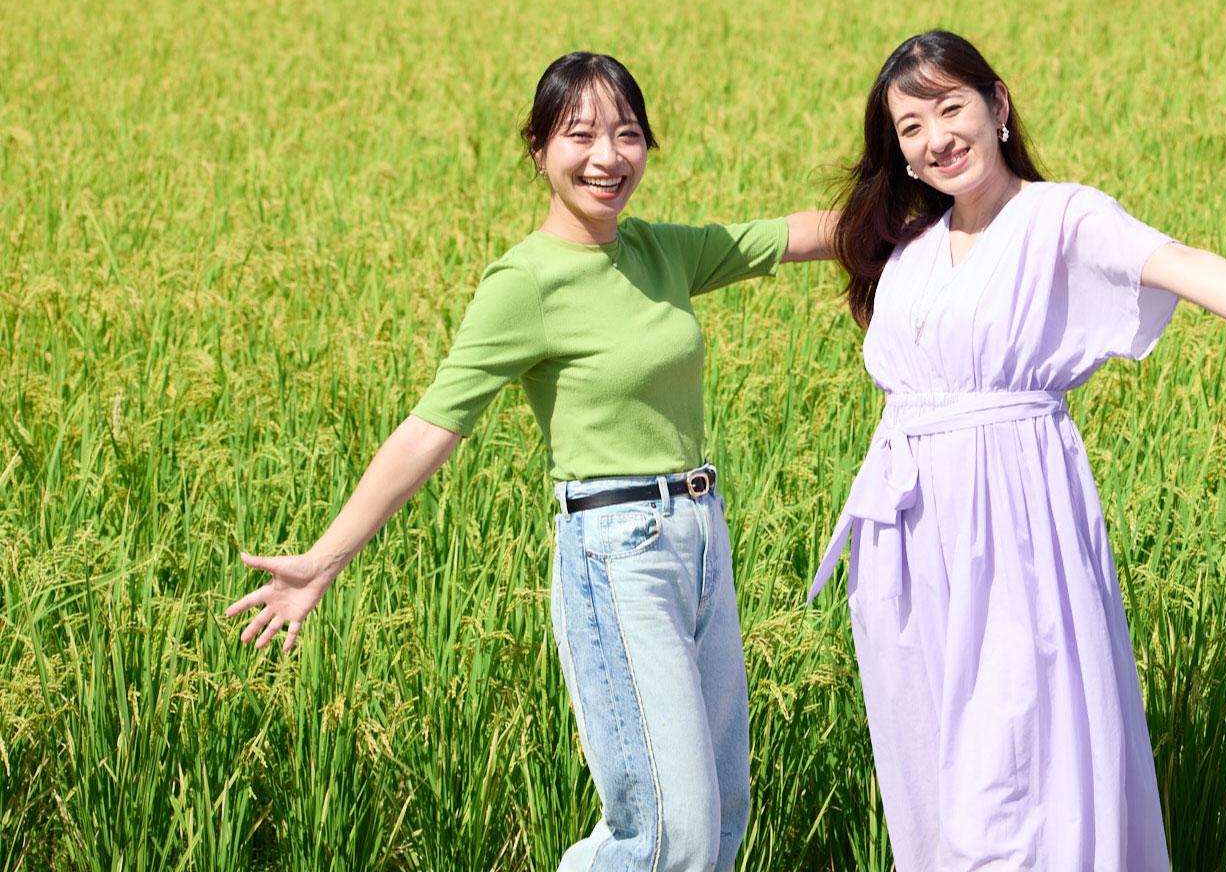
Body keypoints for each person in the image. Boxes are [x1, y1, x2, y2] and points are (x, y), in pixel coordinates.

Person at [811, 30, 1226, 870]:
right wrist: (642, 245)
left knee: (1017, 768)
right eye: (910, 125)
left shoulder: (1059, 216)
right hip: (907, 536)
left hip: (1013, 522)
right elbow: (778, 238)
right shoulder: (909, 244)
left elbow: (1175, 262)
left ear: (997, 106)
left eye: (951, 107)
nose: (936, 138)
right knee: (930, 768)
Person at [224, 51, 834, 872]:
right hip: (620, 552)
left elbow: (800, 235)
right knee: (667, 837)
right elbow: (430, 427)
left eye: (627, 134)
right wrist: (325, 559)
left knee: (720, 822)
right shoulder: (526, 282)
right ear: (539, 149)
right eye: (580, 134)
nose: (607, 156)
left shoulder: (662, 253)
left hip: (701, 539)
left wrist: (945, 195)